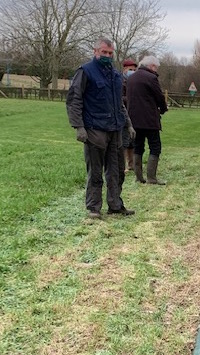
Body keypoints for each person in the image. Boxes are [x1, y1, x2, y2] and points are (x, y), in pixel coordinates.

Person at [66, 37, 135, 219]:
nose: (107, 56)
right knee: (95, 171)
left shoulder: (115, 75)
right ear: (95, 51)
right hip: (94, 128)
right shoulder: (85, 72)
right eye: (104, 52)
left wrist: (128, 123)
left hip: (115, 129)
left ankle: (115, 204)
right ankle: (94, 208)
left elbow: (119, 103)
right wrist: (78, 126)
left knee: (117, 171)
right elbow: (74, 99)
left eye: (110, 53)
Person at [126, 55, 168, 184]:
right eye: (156, 67)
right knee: (155, 147)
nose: (157, 70)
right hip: (149, 119)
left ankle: (139, 177)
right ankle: (151, 178)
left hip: (134, 119)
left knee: (138, 146)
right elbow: (159, 96)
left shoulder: (131, 78)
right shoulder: (151, 78)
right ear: (152, 66)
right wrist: (163, 108)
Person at [121, 58, 137, 173]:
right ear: (125, 69)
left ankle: (131, 164)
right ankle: (122, 165)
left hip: (133, 114)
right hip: (123, 114)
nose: (133, 72)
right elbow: (119, 98)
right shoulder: (120, 81)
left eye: (134, 70)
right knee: (124, 142)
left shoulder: (134, 82)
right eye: (131, 69)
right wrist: (130, 99)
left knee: (132, 141)